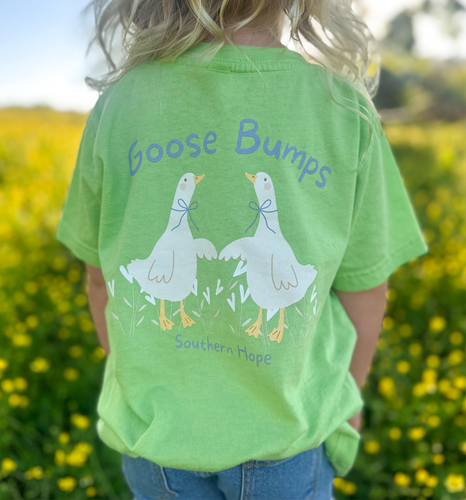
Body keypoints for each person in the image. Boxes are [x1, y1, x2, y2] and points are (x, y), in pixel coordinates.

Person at [55, 0, 429, 498]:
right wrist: (350, 395)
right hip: (289, 436)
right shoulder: (343, 107)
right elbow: (366, 287)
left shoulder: (119, 105)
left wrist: (135, 380)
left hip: (154, 436)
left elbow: (101, 279)